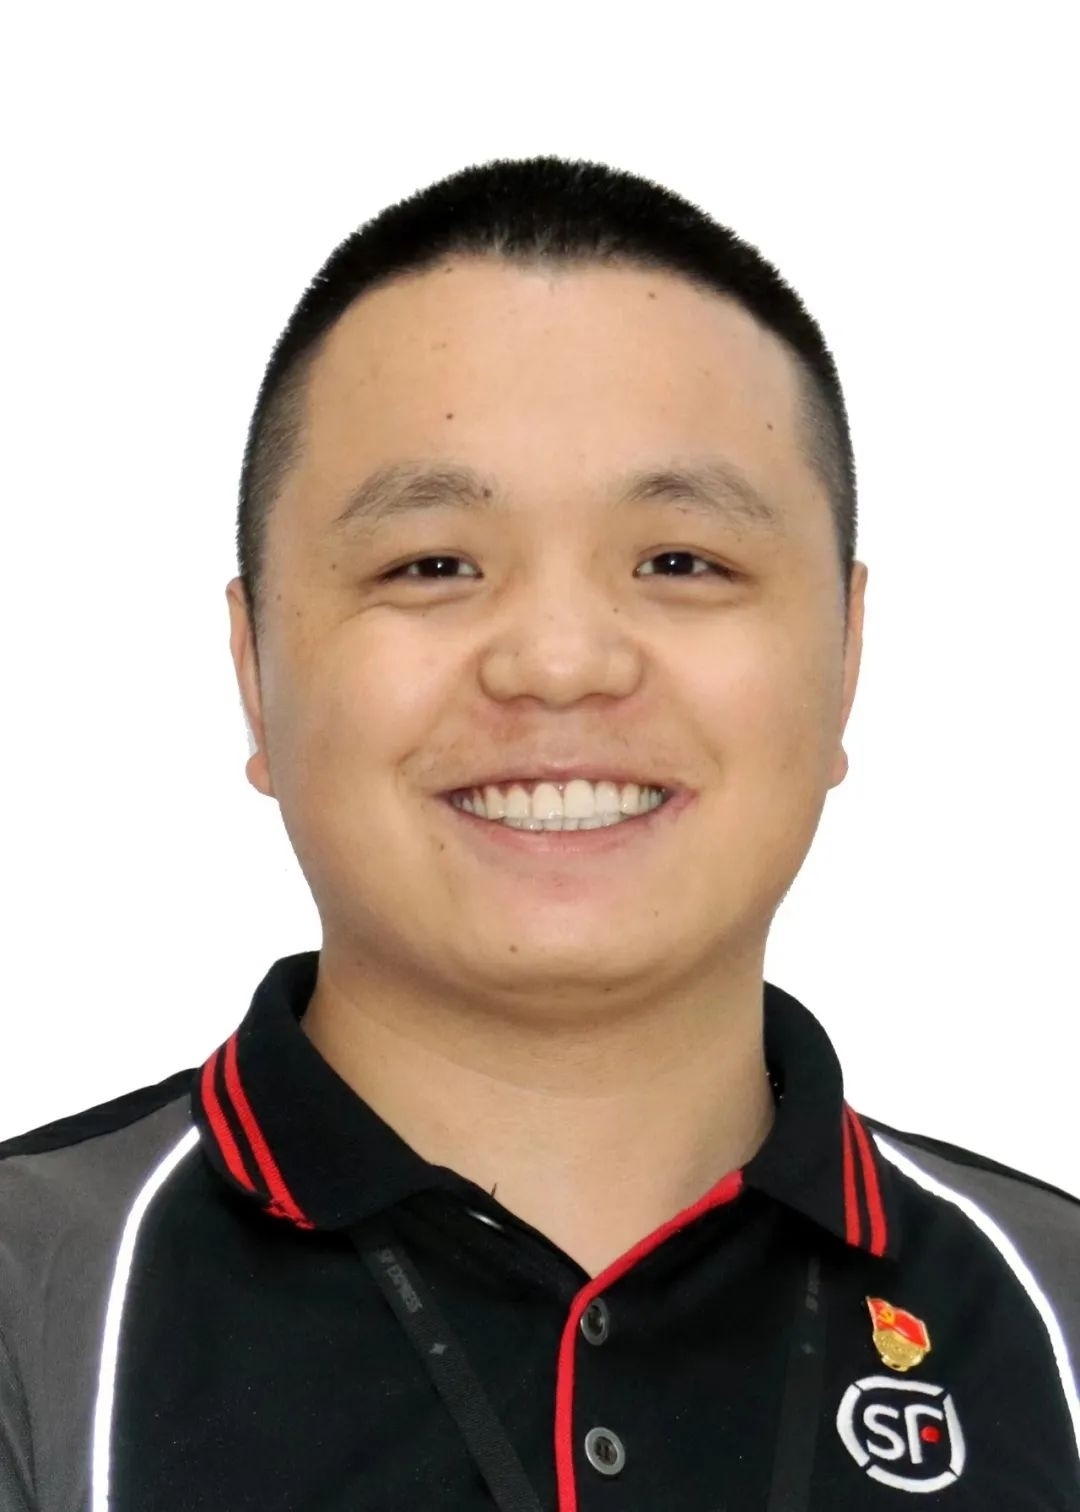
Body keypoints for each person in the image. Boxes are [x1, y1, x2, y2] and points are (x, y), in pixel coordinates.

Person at [1, 155, 1077, 1512]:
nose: (561, 663)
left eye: (681, 562)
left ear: (847, 656)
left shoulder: (1054, 1320)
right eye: (432, 564)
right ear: (254, 668)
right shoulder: (34, 1307)